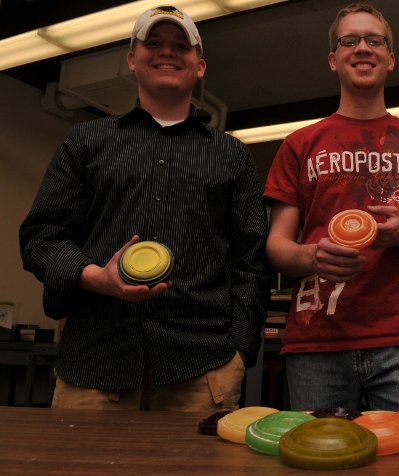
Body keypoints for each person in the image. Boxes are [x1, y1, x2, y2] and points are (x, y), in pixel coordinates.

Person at [19, 5, 269, 412]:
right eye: (153, 43)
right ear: (132, 60)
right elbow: (42, 237)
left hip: (202, 370)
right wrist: (96, 277)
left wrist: (239, 353)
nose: (166, 52)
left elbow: (251, 262)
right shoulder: (84, 142)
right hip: (93, 366)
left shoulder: (232, 155)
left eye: (180, 46)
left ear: (199, 65)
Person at [264, 3, 399, 412]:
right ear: (333, 59)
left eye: (375, 40)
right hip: (316, 339)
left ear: (390, 59)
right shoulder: (299, 144)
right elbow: (277, 247)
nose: (362, 48)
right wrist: (313, 255)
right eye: (350, 40)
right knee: (320, 465)